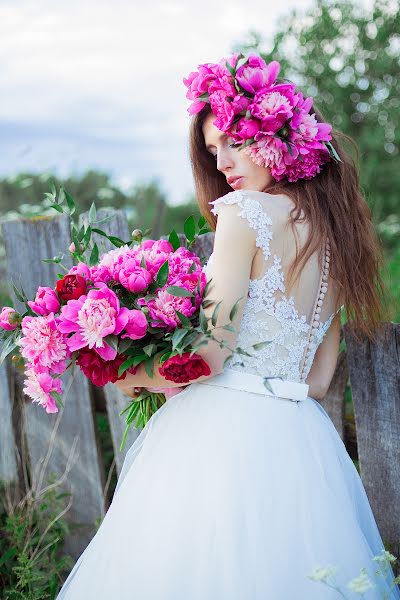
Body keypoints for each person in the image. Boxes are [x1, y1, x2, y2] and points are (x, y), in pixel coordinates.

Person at [56, 52, 400, 599]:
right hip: (302, 436)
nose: (222, 164)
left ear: (278, 141)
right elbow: (317, 379)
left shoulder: (244, 212)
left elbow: (209, 354)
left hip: (222, 430)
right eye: (215, 150)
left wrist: (133, 374)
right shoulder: (339, 238)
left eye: (235, 143)